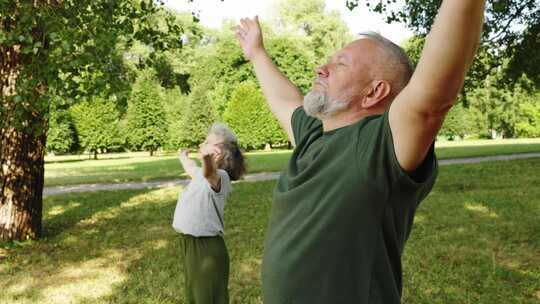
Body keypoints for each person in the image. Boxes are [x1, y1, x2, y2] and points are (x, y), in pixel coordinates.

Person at [234, 1, 486, 303]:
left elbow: (433, 97)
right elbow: (285, 100)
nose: (321, 68)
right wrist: (257, 54)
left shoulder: (378, 147)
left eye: (340, 64)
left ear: (374, 92)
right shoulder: (314, 134)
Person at [172, 122, 246, 304]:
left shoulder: (220, 176)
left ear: (218, 152)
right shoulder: (200, 175)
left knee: (207, 297)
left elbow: (209, 173)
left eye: (206, 142)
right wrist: (183, 157)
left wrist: (206, 156)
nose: (201, 144)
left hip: (207, 248)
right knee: (195, 294)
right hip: (189, 243)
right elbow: (191, 169)